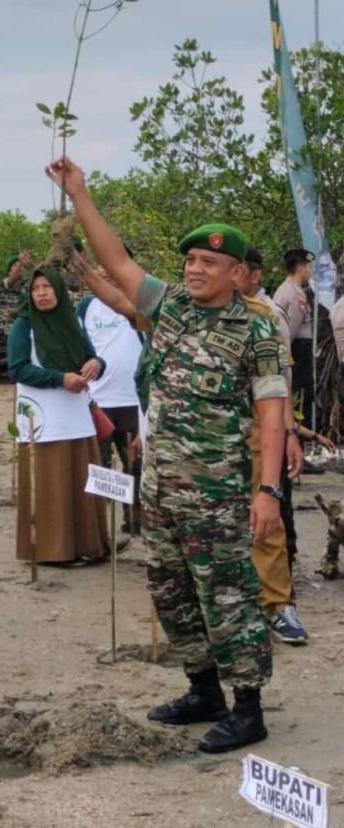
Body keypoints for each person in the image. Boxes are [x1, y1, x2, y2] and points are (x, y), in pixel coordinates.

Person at [51, 156, 287, 754]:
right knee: (172, 590)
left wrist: (268, 492)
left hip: (218, 493)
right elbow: (118, 263)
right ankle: (203, 690)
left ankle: (248, 707)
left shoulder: (257, 329)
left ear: (238, 272)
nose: (195, 268)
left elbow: (273, 415)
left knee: (226, 595)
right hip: (160, 487)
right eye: (190, 260)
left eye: (209, 261)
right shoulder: (172, 307)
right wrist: (80, 192)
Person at [8, 266, 109, 565]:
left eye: (47, 287)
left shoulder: (72, 321)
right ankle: (53, 551)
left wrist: (96, 363)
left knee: (81, 480)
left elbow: (93, 354)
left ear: (58, 291)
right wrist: (60, 378)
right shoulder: (23, 325)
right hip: (44, 418)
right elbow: (18, 368)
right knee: (52, 484)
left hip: (76, 416)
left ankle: (89, 545)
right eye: (36, 289)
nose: (41, 294)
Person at [234, 248, 309, 645]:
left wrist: (291, 431)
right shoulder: (189, 314)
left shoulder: (265, 317)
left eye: (235, 268)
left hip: (259, 429)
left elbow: (280, 381)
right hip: (207, 439)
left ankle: (278, 605)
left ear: (247, 273)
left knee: (269, 516)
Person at [75, 261, 143, 532]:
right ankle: (99, 527)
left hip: (133, 401)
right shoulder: (86, 307)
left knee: (135, 466)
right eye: (100, 266)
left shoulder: (139, 305)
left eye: (110, 265)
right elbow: (77, 346)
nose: (105, 271)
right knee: (97, 468)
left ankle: (135, 522)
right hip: (98, 402)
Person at [273, 248, 315, 428]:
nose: (310, 272)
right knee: (300, 396)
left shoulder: (283, 290)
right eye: (308, 267)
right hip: (297, 352)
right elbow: (289, 330)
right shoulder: (296, 294)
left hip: (293, 351)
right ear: (301, 268)